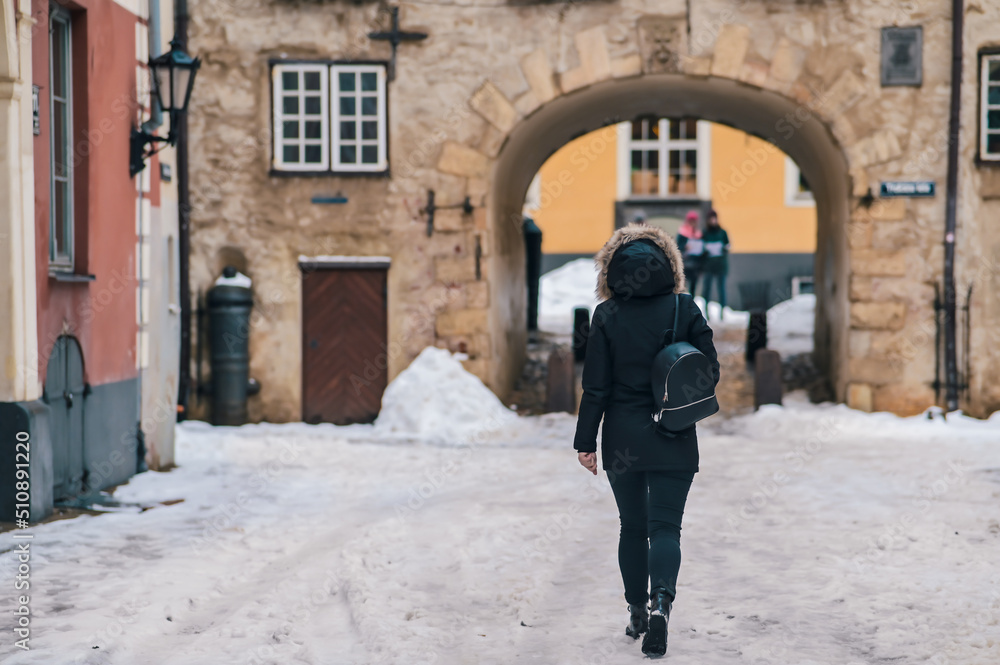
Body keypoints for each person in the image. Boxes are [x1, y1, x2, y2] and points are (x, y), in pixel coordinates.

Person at [574, 223, 720, 658]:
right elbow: (708, 370)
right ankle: (661, 608)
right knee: (665, 528)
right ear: (670, 267)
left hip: (622, 436)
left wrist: (586, 441)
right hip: (673, 431)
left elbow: (595, 386)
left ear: (612, 271)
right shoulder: (684, 308)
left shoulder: (606, 315)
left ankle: (636, 611)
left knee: (633, 528)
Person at [700, 210, 730, 317]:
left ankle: (723, 312)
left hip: (721, 265)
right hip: (709, 266)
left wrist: (723, 249)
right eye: (711, 218)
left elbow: (728, 245)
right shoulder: (705, 233)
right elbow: (701, 247)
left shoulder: (722, 232)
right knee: (707, 289)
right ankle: (706, 311)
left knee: (721, 289)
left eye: (714, 218)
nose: (713, 220)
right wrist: (705, 250)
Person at [675, 210, 704, 296]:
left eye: (694, 221)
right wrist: (685, 247)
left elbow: (702, 251)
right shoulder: (682, 233)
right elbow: (677, 248)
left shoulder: (698, 234)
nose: (692, 223)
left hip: (695, 265)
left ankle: (691, 305)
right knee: (682, 288)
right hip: (685, 264)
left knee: (693, 289)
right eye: (691, 221)